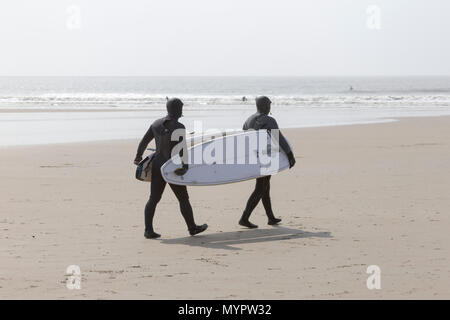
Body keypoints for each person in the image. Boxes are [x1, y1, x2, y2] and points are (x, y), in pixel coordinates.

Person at [134, 98, 208, 239]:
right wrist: (185, 166)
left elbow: (144, 140)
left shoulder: (156, 124)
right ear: (176, 109)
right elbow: (182, 150)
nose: (182, 110)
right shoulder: (178, 126)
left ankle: (148, 230)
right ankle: (192, 227)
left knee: (154, 198)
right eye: (180, 107)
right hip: (172, 167)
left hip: (157, 165)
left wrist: (138, 157)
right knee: (183, 198)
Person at [239, 96, 296, 228]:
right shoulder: (269, 120)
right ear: (265, 105)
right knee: (261, 187)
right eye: (269, 104)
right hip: (265, 158)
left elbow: (244, 139)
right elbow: (278, 138)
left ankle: (270, 217)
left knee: (265, 186)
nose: (270, 107)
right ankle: (244, 217)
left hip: (254, 157)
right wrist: (289, 154)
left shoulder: (248, 120)